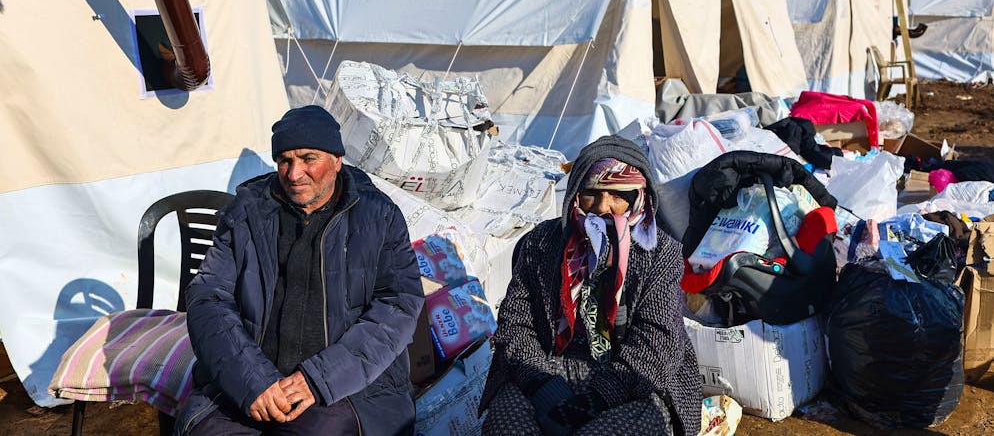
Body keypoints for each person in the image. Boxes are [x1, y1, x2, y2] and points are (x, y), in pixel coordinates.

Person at [176, 105, 424, 435]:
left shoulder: (378, 216)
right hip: (255, 377)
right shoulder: (248, 212)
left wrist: (319, 379)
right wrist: (254, 380)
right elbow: (208, 297)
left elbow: (398, 304)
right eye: (285, 160)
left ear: (337, 160)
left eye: (309, 158)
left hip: (347, 385)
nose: (294, 174)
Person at [479, 135, 701, 436]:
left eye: (618, 194)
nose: (602, 207)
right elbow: (516, 324)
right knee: (506, 425)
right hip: (547, 366)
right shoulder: (541, 242)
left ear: (639, 196)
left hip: (632, 380)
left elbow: (657, 342)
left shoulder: (660, 253)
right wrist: (540, 384)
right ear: (575, 193)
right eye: (591, 194)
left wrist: (597, 398)